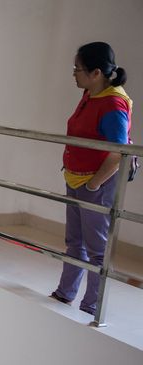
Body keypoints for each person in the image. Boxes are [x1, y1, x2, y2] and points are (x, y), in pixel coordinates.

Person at [51, 42, 132, 316]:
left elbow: (119, 152)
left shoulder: (113, 103)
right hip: (76, 179)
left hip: (94, 183)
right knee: (75, 241)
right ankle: (65, 294)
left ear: (96, 72)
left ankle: (92, 305)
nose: (74, 74)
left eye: (78, 69)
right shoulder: (91, 92)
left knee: (97, 248)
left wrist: (95, 183)